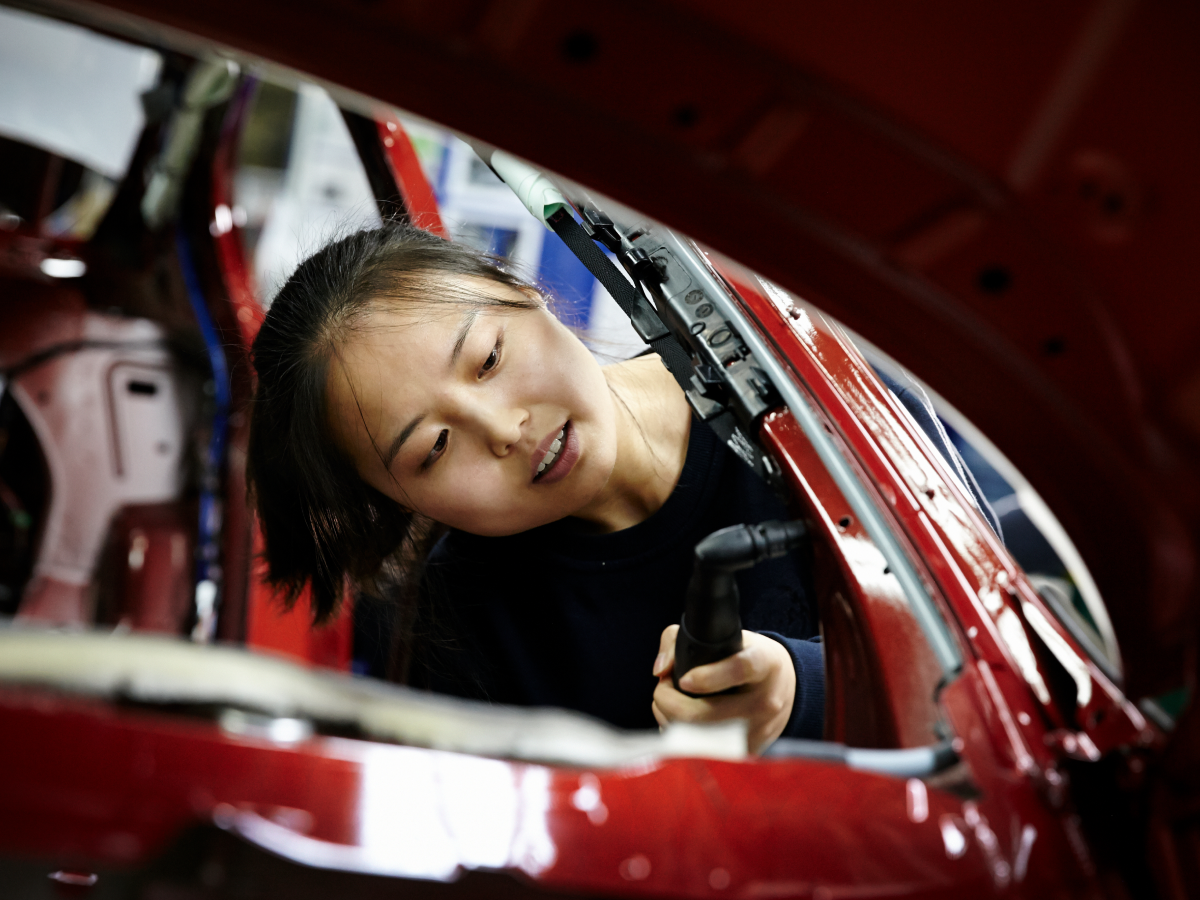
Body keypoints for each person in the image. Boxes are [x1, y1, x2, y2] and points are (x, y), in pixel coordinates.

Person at [248, 223, 824, 753]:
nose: (504, 429)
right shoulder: (463, 630)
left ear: (522, 289)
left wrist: (804, 690)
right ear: (402, 505)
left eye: (488, 358)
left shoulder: (798, 384)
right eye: (436, 447)